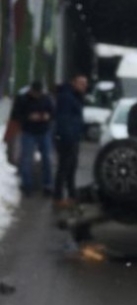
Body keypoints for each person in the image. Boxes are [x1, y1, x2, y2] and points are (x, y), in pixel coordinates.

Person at [53, 73, 88, 207]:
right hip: (67, 139)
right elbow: (63, 119)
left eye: (85, 84)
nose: (84, 86)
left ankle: (72, 195)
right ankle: (58, 197)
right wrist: (68, 137)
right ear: (73, 83)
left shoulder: (76, 97)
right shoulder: (67, 97)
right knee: (64, 168)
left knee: (71, 168)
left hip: (73, 137)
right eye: (81, 83)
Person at [17, 81, 55, 196]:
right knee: (27, 159)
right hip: (29, 131)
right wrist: (29, 117)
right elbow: (18, 114)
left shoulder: (46, 98)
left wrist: (48, 116)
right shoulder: (23, 99)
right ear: (31, 91)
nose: (37, 95)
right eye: (35, 93)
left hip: (44, 130)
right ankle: (27, 185)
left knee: (47, 159)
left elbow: (53, 112)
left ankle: (47, 185)